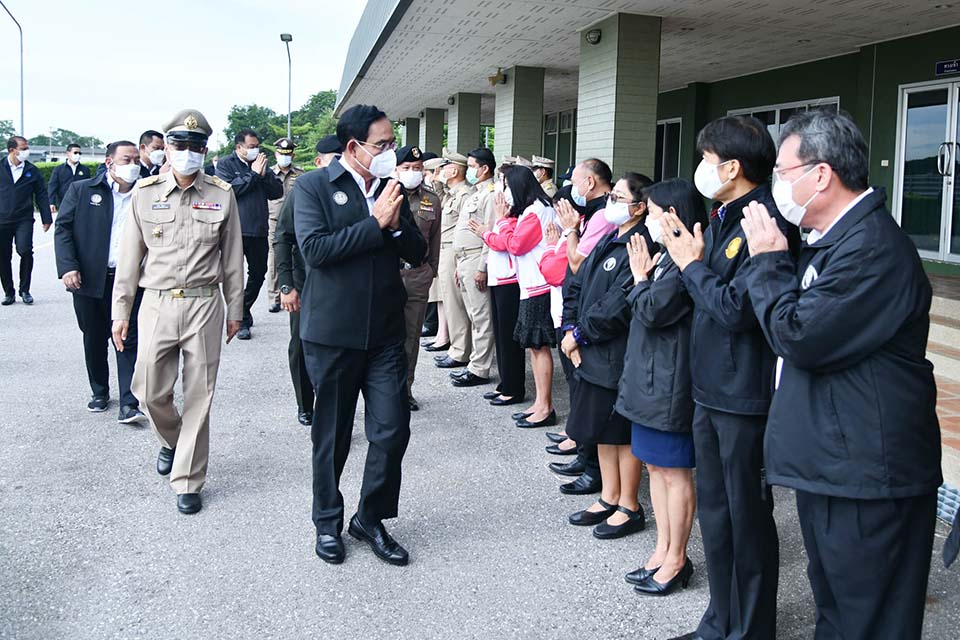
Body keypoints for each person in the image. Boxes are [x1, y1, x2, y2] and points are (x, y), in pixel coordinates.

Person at [739, 110, 942, 640]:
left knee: (866, 618)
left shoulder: (869, 247)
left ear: (822, 174)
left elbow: (799, 336)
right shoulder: (835, 238)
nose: (777, 188)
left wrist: (768, 261)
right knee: (837, 609)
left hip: (867, 472)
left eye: (783, 174)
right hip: (837, 462)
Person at [659, 115, 799, 640]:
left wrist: (691, 266)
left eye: (707, 159)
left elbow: (737, 310)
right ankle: (719, 619)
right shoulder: (722, 217)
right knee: (717, 516)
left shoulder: (765, 222)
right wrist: (692, 264)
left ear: (733, 167)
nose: (701, 168)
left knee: (747, 519)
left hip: (744, 394)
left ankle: (750, 628)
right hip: (711, 388)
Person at [294, 104, 426, 566]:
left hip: (385, 333)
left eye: (392, 143)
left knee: (392, 429)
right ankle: (327, 521)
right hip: (333, 334)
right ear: (354, 147)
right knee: (332, 435)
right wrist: (375, 224)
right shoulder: (314, 186)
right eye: (382, 144)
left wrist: (395, 225)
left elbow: (417, 250)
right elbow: (315, 251)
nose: (391, 152)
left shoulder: (391, 189)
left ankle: (370, 517)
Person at [111, 109, 244, 515]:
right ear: (167, 148)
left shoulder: (221, 193)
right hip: (157, 301)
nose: (188, 152)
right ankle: (173, 440)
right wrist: (121, 311)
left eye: (196, 146)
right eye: (180, 145)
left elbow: (232, 257)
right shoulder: (145, 192)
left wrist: (236, 308)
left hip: (204, 302)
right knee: (149, 390)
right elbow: (129, 258)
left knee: (200, 394)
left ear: (205, 150)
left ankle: (188, 478)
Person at [619, 178, 706, 597]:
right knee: (654, 468)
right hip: (648, 376)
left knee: (674, 472)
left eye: (652, 212)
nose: (647, 219)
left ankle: (677, 558)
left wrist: (640, 279)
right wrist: (641, 278)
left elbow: (653, 310)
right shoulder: (667, 256)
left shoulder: (687, 260)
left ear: (672, 214)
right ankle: (661, 550)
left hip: (669, 380)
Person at [560, 172, 652, 541]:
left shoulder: (639, 244)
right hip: (589, 348)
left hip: (614, 351)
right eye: (611, 196)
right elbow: (577, 282)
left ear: (639, 207)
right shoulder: (610, 237)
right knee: (601, 428)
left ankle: (629, 504)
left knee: (619, 431)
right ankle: (609, 495)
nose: (610, 202)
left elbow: (618, 305)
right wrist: (570, 328)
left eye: (619, 198)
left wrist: (580, 334)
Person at [54, 140, 146, 423]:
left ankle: (129, 402)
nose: (133, 165)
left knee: (128, 338)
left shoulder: (145, 194)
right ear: (109, 162)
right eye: (126, 160)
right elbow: (63, 228)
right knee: (94, 337)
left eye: (136, 160)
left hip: (129, 280)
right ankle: (99, 390)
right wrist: (68, 266)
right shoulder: (83, 190)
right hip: (89, 279)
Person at [474, 166, 557, 425]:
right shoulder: (532, 210)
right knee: (534, 346)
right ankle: (540, 403)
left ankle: (545, 406)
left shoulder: (536, 210)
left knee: (538, 346)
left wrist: (499, 222)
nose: (504, 192)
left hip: (539, 284)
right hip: (532, 283)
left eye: (507, 186)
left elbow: (516, 245)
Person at [274, 135, 342, 427]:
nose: (340, 164)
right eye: (334, 159)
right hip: (305, 283)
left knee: (339, 350)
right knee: (302, 344)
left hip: (342, 286)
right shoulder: (305, 188)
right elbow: (282, 238)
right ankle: (305, 404)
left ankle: (333, 406)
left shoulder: (355, 189)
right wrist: (286, 285)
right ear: (319, 161)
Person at [215, 127, 283, 340]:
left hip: (258, 228)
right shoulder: (226, 164)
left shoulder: (261, 164)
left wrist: (263, 175)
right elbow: (229, 190)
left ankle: (243, 308)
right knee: (234, 276)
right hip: (235, 229)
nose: (255, 150)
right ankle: (241, 319)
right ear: (239, 147)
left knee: (259, 272)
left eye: (257, 146)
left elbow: (277, 192)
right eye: (251, 146)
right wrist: (253, 175)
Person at [395, 145, 442, 411]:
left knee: (411, 338)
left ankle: (405, 390)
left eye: (417, 168)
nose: (412, 172)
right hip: (388, 274)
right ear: (396, 169)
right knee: (385, 336)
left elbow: (434, 239)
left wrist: (430, 270)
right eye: (407, 168)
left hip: (416, 275)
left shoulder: (431, 199)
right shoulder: (385, 193)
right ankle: (383, 392)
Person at [447, 148, 497, 388]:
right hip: (465, 259)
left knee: (481, 317)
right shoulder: (476, 193)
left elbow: (490, 232)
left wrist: (482, 267)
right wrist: (459, 264)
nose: (468, 171)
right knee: (472, 315)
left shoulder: (491, 194)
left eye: (471, 166)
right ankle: (473, 362)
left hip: (477, 258)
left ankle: (479, 368)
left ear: (484, 168)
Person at [433, 152, 475, 368]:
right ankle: (457, 347)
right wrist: (437, 181)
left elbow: (465, 228)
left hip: (454, 251)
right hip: (445, 249)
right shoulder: (452, 193)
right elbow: (438, 202)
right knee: (450, 302)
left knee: (456, 304)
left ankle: (460, 351)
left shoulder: (465, 194)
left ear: (455, 170)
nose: (441, 170)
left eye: (445, 166)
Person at [0, 136, 51, 306]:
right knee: (3, 256)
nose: (26, 151)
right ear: (12, 150)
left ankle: (25, 290)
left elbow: (41, 194)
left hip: (24, 219)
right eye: (23, 148)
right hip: (2, 219)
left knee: (25, 251)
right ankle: (9, 292)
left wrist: (46, 218)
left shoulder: (32, 170)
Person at [266, 137, 304, 314]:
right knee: (275, 258)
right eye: (281, 154)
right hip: (274, 221)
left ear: (292, 155)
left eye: (288, 154)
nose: (284, 157)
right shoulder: (268, 174)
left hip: (296, 222)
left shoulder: (300, 173)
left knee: (296, 257)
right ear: (276, 154)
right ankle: (274, 296)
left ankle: (293, 289)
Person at [48, 143, 90, 214]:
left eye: (79, 153)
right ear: (68, 153)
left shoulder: (85, 169)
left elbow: (88, 186)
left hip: (80, 203)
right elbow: (52, 186)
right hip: (63, 203)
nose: (77, 155)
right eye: (75, 153)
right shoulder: (59, 169)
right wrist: (51, 202)